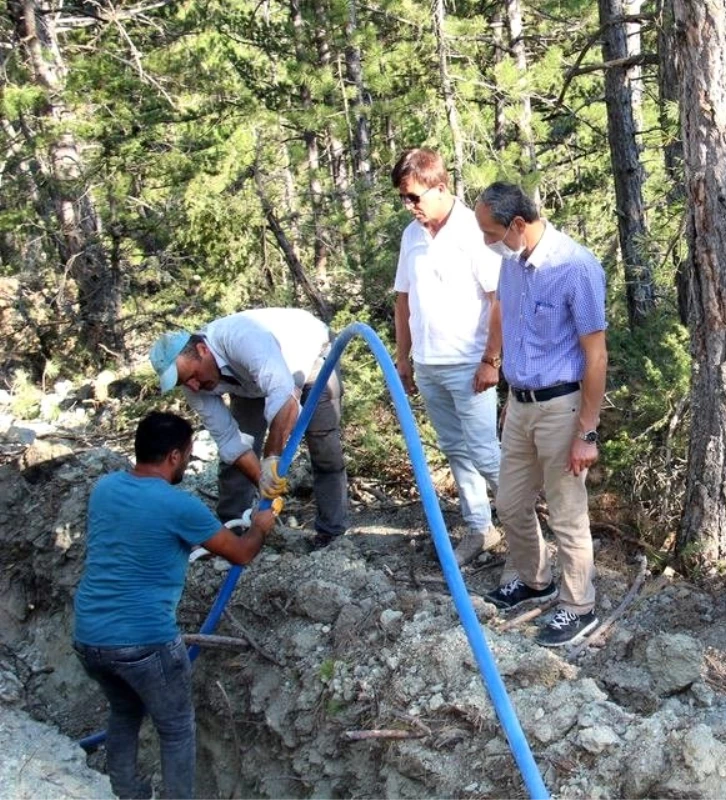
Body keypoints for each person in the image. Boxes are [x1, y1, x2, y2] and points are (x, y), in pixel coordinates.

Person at [73, 411, 276, 800]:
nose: (185, 460)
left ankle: (129, 793)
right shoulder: (179, 507)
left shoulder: (105, 488)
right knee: (177, 727)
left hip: (89, 638)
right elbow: (241, 553)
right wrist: (260, 527)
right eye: (185, 453)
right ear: (172, 456)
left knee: (124, 712)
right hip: (144, 643)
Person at [473, 182, 608, 648]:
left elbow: (596, 357)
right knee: (510, 503)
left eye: (490, 232)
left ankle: (577, 606)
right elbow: (507, 319)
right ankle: (534, 579)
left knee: (567, 513)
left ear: (517, 224)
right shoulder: (511, 266)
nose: (487, 242)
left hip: (562, 407)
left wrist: (587, 432)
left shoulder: (576, 267)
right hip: (522, 404)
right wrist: (505, 376)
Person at [150, 308, 347, 549]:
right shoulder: (194, 384)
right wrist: (263, 481)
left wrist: (271, 457)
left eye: (191, 375)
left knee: (323, 446)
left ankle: (331, 534)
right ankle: (232, 531)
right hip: (249, 382)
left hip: (310, 356)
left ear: (202, 350)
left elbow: (284, 394)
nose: (192, 385)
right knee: (238, 458)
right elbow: (228, 439)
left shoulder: (241, 338)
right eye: (183, 382)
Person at [391, 148, 504, 566]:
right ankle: (480, 529)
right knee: (455, 449)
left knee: (485, 452)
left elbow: (498, 299)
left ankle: (527, 534)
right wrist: (404, 359)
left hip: (469, 362)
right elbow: (403, 301)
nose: (410, 206)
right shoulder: (411, 236)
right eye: (404, 198)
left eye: (414, 197)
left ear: (440, 188)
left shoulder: (474, 231)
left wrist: (491, 360)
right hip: (428, 363)